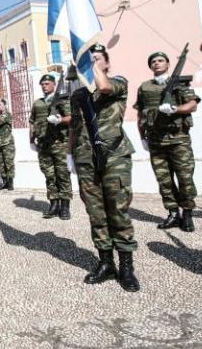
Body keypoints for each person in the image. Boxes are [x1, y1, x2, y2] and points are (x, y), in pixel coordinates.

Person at [68, 44, 140, 292]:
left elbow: (104, 86)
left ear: (107, 63)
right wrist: (70, 155)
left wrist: (90, 64)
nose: (90, 64)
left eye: (97, 59)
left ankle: (127, 267)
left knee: (118, 211)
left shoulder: (118, 83)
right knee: (96, 214)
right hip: (86, 158)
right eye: (87, 61)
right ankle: (106, 263)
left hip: (114, 157)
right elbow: (75, 127)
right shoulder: (78, 96)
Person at [135, 51, 201, 232]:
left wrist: (175, 109)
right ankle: (173, 213)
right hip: (156, 141)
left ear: (168, 63)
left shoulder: (179, 83)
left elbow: (193, 104)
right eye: (153, 61)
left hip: (179, 139)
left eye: (160, 60)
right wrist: (142, 137)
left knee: (185, 178)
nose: (156, 63)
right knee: (164, 180)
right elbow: (140, 113)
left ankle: (187, 213)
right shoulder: (145, 87)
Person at [28, 74, 72, 219]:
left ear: (54, 85)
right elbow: (32, 122)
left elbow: (72, 117)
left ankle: (65, 207)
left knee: (63, 175)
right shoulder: (38, 103)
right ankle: (54, 204)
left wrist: (60, 120)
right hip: (43, 145)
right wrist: (31, 140)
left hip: (60, 143)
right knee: (49, 175)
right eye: (42, 84)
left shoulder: (62, 99)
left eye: (47, 83)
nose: (44, 86)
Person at [0, 99, 16, 191]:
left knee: (8, 163)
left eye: (1, 105)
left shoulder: (7, 115)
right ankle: (4, 182)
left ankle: (10, 183)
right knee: (0, 163)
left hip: (7, 143)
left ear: (5, 106)